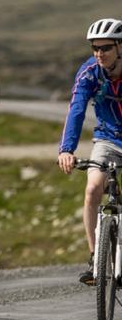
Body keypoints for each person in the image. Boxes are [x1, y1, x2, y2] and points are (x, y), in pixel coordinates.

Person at [59, 17, 122, 285]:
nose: (99, 54)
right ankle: (96, 257)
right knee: (92, 189)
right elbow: (76, 109)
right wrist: (67, 149)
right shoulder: (89, 72)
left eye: (106, 48)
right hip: (107, 140)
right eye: (95, 48)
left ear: (120, 47)